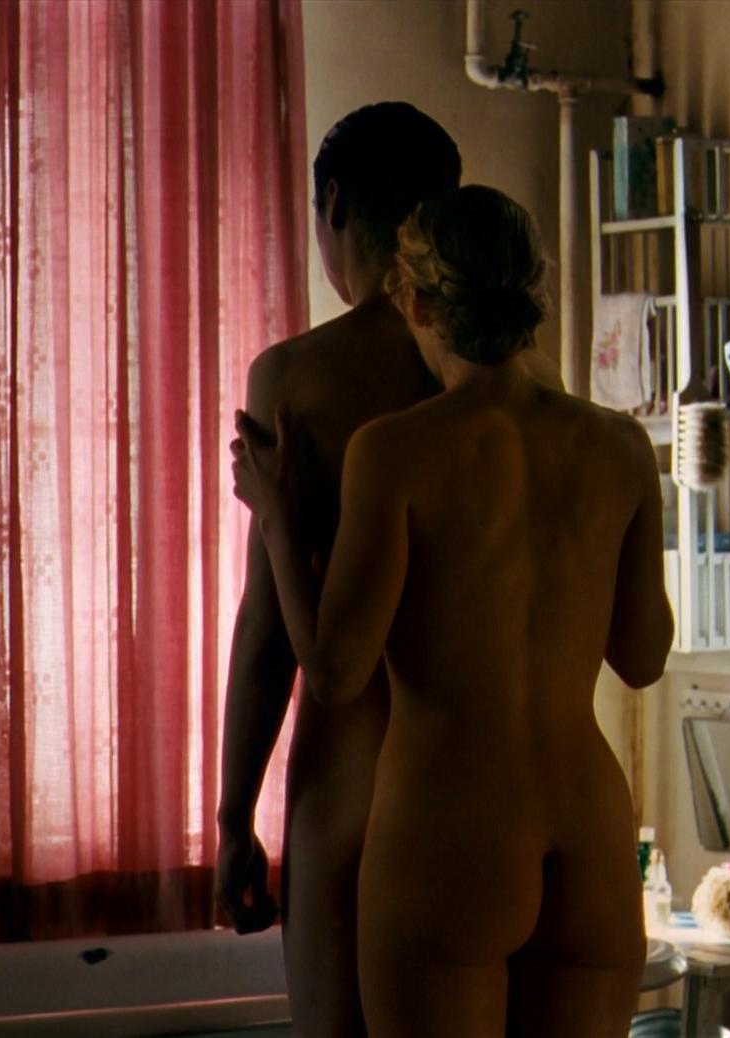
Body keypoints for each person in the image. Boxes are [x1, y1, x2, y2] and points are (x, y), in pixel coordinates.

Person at [232, 185, 673, 1036]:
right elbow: (644, 656)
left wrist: (279, 522)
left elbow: (336, 671)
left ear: (420, 303)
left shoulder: (395, 451)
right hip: (588, 827)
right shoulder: (619, 445)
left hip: (450, 829)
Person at [216, 101, 463, 1037]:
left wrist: (234, 818)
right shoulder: (497, 383)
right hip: (486, 789)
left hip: (354, 786)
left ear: (334, 206)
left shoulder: (297, 379)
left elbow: (267, 635)